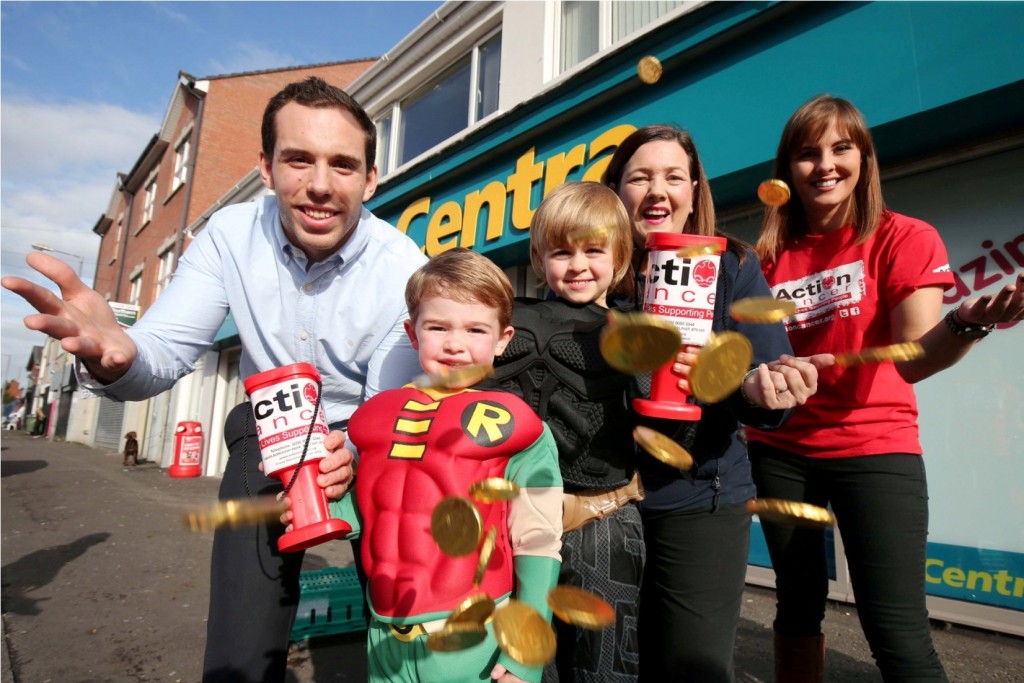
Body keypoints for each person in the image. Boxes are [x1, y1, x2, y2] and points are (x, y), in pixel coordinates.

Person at [1, 76, 428, 682]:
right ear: (265, 166)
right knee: (244, 611)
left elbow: (386, 404)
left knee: (406, 604)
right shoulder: (228, 236)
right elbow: (163, 350)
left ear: (370, 179)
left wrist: (355, 450)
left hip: (369, 432)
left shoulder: (404, 269)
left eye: (343, 165)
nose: (321, 186)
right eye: (298, 159)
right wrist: (115, 356)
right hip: (272, 427)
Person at [747, 94, 1024, 683]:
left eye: (840, 148)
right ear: (786, 170)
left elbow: (916, 359)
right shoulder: (767, 257)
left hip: (876, 449)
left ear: (864, 158)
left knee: (893, 627)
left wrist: (967, 322)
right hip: (780, 453)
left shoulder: (904, 237)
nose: (824, 165)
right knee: (796, 608)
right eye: (806, 153)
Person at [602, 124, 820, 682]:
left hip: (701, 496)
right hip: (603, 505)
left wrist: (759, 385)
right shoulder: (593, 270)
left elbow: (765, 379)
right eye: (639, 178)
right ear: (615, 192)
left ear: (694, 192)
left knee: (691, 670)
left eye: (674, 177)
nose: (657, 191)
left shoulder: (733, 268)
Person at [308, 248, 563, 683]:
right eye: (438, 326)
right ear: (413, 333)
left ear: (503, 339)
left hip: (472, 637)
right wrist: (309, 504)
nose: (454, 344)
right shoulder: (373, 418)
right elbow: (368, 511)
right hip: (384, 634)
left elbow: (538, 540)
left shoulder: (519, 426)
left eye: (475, 329)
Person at [493, 181, 643, 682]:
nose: (577, 265)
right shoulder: (504, 317)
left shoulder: (636, 328)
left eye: (594, 250)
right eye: (561, 251)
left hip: (600, 518)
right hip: (512, 521)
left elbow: (668, 424)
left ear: (619, 257)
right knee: (523, 665)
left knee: (604, 666)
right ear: (539, 257)